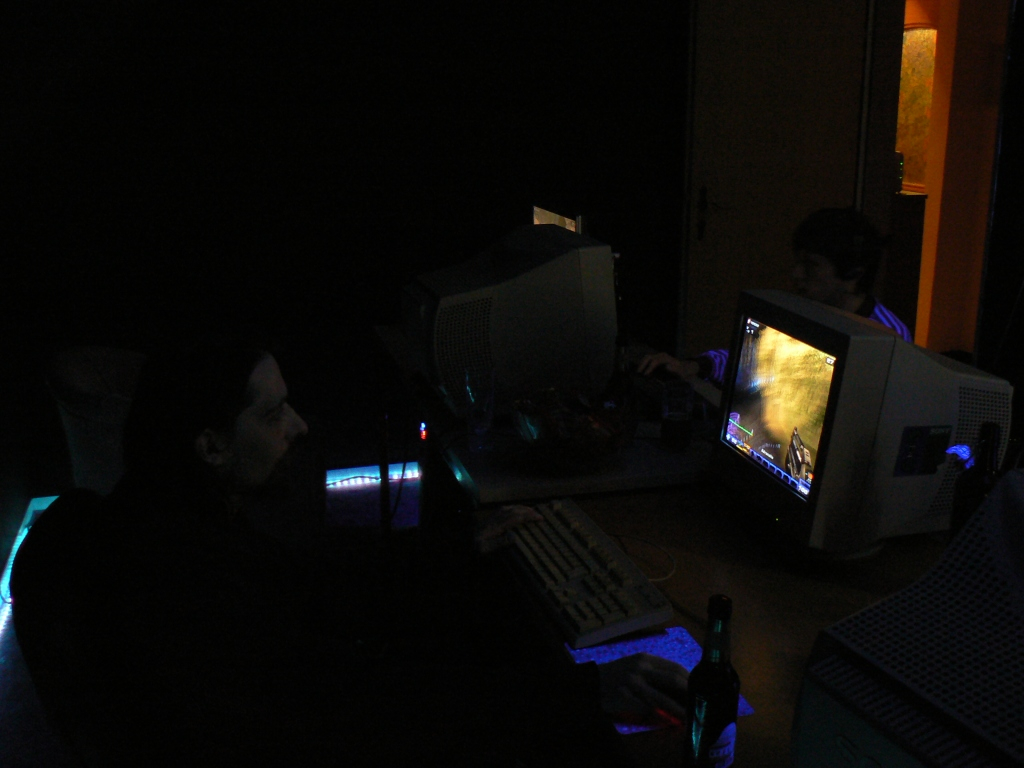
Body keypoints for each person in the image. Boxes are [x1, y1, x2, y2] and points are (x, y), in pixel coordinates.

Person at [23, 338, 689, 766]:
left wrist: (449, 552)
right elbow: (374, 709)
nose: (299, 426)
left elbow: (306, 591)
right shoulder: (189, 589)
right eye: (273, 414)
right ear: (212, 446)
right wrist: (582, 692)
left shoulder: (161, 521)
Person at [639, 207, 913, 386]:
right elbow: (749, 362)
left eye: (811, 265)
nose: (796, 274)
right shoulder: (800, 309)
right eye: (798, 262)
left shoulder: (891, 338)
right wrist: (696, 366)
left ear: (853, 272)